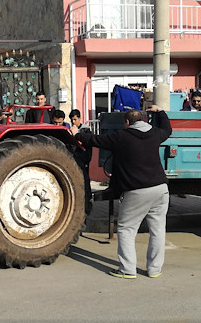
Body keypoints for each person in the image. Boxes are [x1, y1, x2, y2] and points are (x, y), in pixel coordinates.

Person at [72, 107, 172, 279]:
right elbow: (167, 129)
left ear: (126, 122)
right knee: (157, 230)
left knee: (126, 229)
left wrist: (76, 134)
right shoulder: (154, 134)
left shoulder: (121, 137)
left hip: (137, 190)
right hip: (161, 188)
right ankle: (154, 269)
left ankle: (127, 269)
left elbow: (95, 140)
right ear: (143, 120)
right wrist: (160, 111)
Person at [69, 109, 93, 214]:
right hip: (75, 160)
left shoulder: (85, 130)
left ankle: (87, 208)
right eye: (72, 120)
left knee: (85, 184)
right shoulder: (70, 130)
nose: (73, 122)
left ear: (79, 118)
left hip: (83, 159)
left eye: (75, 119)